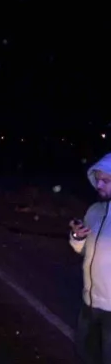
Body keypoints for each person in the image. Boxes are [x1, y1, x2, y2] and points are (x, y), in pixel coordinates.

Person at [70, 152, 111, 363]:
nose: (99, 185)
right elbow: (84, 251)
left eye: (106, 180)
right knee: (84, 354)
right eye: (98, 179)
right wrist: (77, 236)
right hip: (88, 304)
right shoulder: (94, 211)